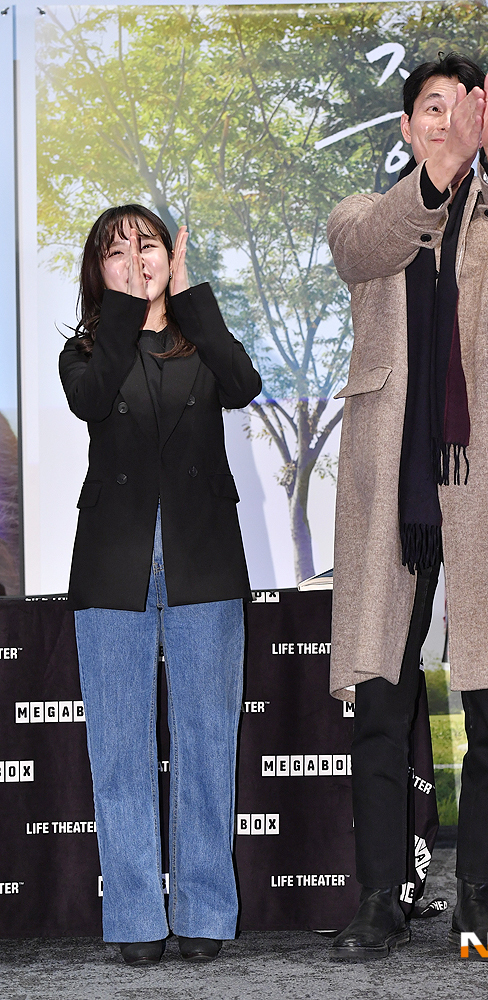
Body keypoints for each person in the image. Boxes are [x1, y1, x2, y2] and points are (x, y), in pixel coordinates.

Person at [326, 52, 488, 961]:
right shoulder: (368, 216)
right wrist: (434, 184)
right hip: (390, 489)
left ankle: (479, 893)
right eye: (428, 108)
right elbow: (369, 247)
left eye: (461, 107)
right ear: (405, 127)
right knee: (383, 706)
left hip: (486, 484)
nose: (445, 120)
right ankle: (381, 899)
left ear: (485, 118)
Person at [59, 206, 261, 966]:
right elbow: (91, 399)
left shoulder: (202, 345)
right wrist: (127, 312)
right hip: (111, 566)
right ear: (98, 271)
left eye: (145, 244)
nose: (135, 257)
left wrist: (185, 301)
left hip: (203, 557)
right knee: (118, 750)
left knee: (209, 742)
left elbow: (244, 383)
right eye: (117, 251)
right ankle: (136, 916)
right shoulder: (84, 353)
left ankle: (206, 909)